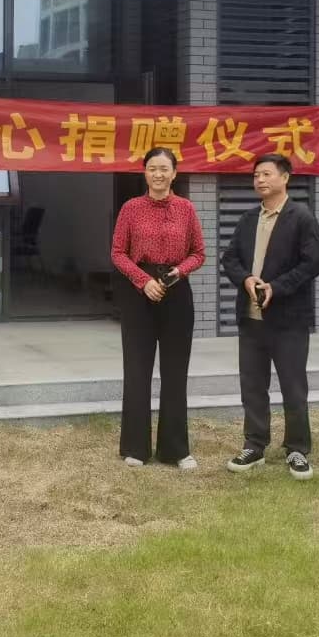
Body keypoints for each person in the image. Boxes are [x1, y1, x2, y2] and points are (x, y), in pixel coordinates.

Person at [220, 154, 319, 480]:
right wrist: (246, 280)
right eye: (256, 175)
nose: (260, 180)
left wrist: (276, 287)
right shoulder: (248, 218)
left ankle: (297, 448)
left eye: (266, 174)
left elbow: (313, 263)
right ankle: (254, 444)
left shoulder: (301, 217)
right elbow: (230, 258)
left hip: (288, 320)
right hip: (251, 319)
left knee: (293, 388)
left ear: (285, 177)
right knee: (252, 386)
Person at [110, 147, 206, 470]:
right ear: (145, 172)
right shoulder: (131, 208)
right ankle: (135, 447)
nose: (158, 174)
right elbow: (118, 252)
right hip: (139, 293)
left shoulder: (186, 209)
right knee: (137, 370)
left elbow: (199, 253)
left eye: (164, 168)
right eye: (152, 168)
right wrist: (143, 281)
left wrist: (180, 271)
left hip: (177, 292)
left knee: (175, 372)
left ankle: (175, 449)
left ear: (174, 173)